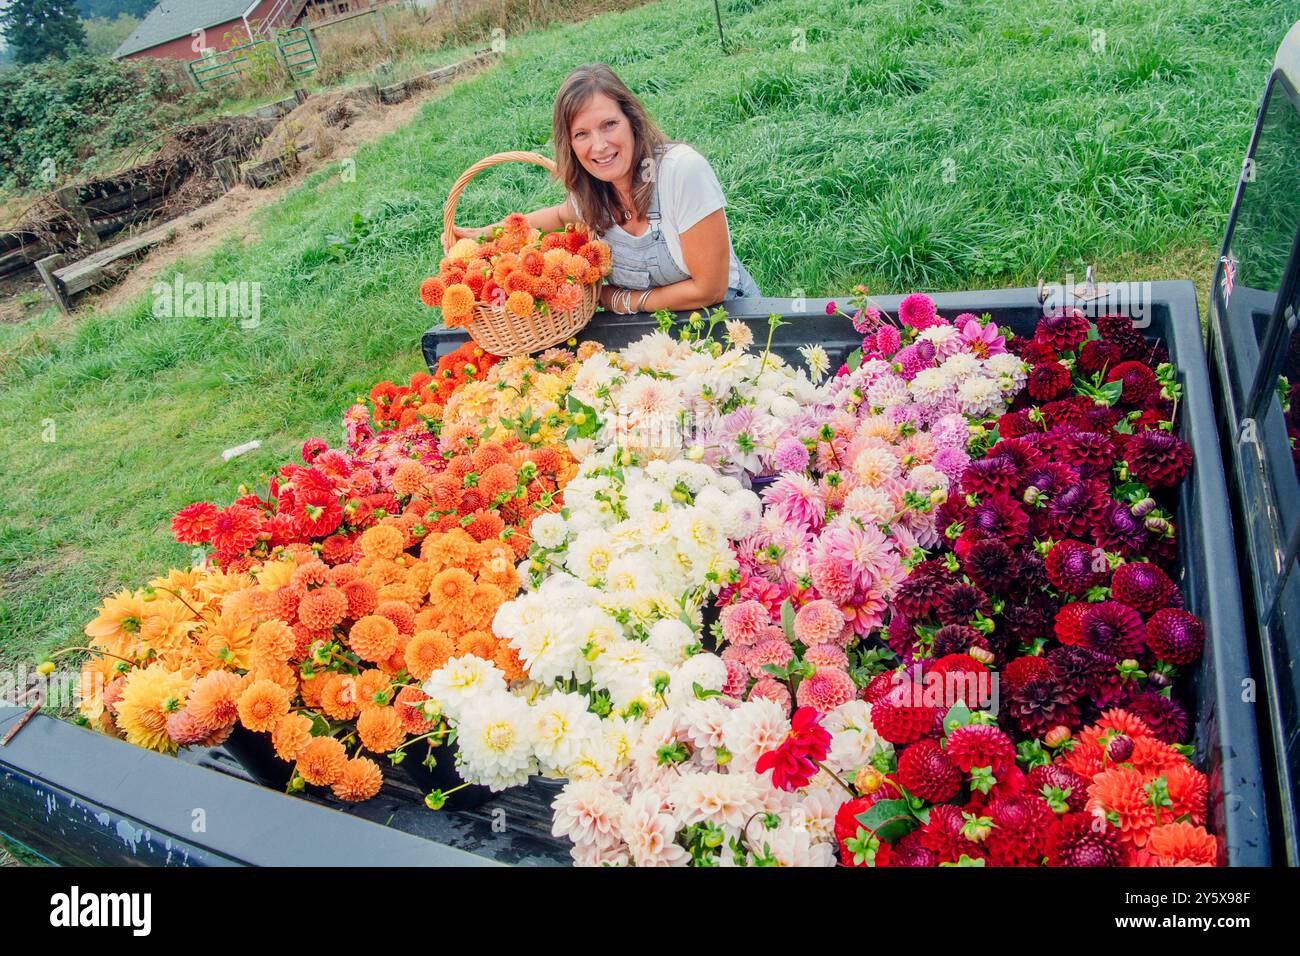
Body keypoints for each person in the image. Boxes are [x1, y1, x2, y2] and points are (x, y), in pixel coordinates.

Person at [454, 63, 762, 314]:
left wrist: (620, 300)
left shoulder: (680, 172)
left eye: (609, 125)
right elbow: (559, 216)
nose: (599, 146)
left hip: (728, 320)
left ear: (631, 120)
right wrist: (481, 235)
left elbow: (710, 288)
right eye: (582, 134)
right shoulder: (593, 191)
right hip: (654, 333)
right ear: (570, 144)